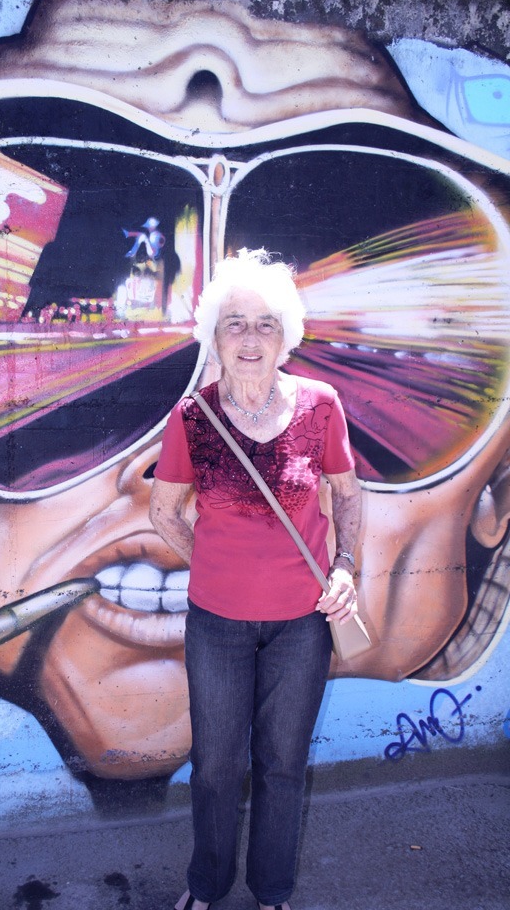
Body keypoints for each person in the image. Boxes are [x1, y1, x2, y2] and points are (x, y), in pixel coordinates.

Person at [149, 248, 362, 910]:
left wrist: (345, 567)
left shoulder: (320, 406)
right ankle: (207, 885)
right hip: (216, 624)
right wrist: (213, 563)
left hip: (303, 625)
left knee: (283, 765)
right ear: (214, 336)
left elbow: (347, 495)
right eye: (234, 323)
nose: (249, 338)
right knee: (215, 767)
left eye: (265, 323)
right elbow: (163, 513)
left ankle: (272, 891)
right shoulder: (192, 418)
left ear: (285, 335)